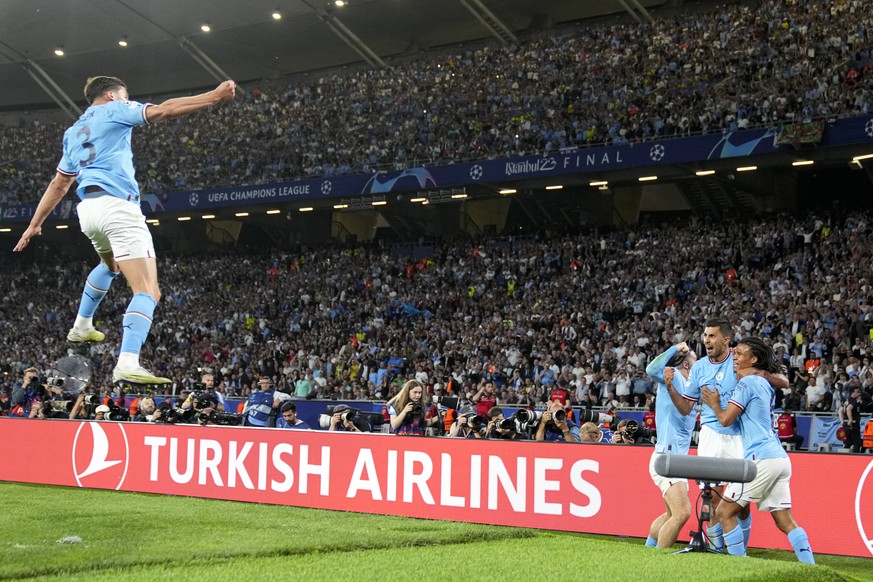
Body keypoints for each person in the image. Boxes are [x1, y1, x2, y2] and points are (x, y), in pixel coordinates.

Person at [13, 75, 236, 385]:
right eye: (125, 95)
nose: (127, 99)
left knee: (111, 265)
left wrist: (34, 225)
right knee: (148, 290)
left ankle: (82, 325)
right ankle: (128, 361)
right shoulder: (116, 108)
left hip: (88, 211)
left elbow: (60, 183)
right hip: (118, 207)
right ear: (111, 94)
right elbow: (164, 110)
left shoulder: (73, 131)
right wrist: (213, 96)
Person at [701, 338, 815, 564]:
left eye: (740, 353)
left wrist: (714, 403)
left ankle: (739, 568)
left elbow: (725, 419)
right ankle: (810, 567)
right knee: (784, 521)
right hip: (779, 458)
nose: (735, 356)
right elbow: (782, 382)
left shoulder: (747, 383)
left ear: (753, 359)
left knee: (724, 513)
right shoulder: (763, 382)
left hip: (760, 459)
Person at [687, 319, 788, 551]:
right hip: (711, 435)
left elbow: (784, 381)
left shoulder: (740, 358)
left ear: (726, 340)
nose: (707, 340)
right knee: (712, 497)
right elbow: (687, 404)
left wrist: (758, 371)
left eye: (712, 336)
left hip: (739, 437)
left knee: (739, 503)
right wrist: (671, 387)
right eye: (705, 335)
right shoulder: (700, 366)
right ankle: (716, 549)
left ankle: (740, 548)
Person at [643, 342, 698, 549]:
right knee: (682, 512)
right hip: (666, 458)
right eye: (693, 356)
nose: (697, 359)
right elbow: (651, 369)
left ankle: (648, 551)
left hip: (677, 459)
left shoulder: (693, 384)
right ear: (685, 363)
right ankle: (659, 561)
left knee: (670, 514)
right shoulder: (671, 375)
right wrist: (676, 348)